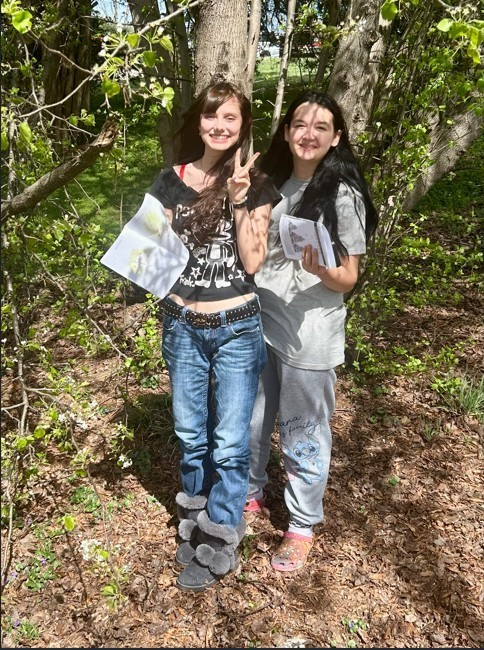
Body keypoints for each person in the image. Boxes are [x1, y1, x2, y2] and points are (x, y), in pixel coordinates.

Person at [148, 81, 279, 592]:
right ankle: (193, 517)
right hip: (182, 325)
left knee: (229, 441)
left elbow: (252, 261)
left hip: (237, 328)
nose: (219, 127)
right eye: (211, 116)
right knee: (189, 433)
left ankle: (221, 536)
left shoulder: (258, 183)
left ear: (243, 125)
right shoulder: (170, 181)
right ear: (197, 122)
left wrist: (242, 202)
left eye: (230, 118)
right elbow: (153, 262)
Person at [245, 91, 379, 571]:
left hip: (310, 333)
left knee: (303, 430)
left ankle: (301, 525)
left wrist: (320, 268)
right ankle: (249, 496)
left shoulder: (342, 194)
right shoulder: (273, 184)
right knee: (254, 418)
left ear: (335, 138)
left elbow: (348, 278)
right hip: (261, 323)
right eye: (301, 124)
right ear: (287, 131)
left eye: (321, 127)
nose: (309, 134)